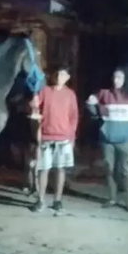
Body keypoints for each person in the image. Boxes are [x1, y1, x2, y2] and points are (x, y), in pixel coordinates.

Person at [86, 65, 128, 212]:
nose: (116, 80)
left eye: (120, 77)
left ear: (127, 79)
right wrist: (94, 109)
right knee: (109, 169)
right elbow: (90, 104)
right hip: (107, 139)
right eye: (114, 77)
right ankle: (112, 198)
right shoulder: (105, 93)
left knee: (127, 170)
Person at [29, 64, 79, 216]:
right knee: (43, 169)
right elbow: (35, 109)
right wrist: (33, 104)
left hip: (64, 138)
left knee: (60, 169)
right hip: (46, 137)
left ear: (67, 78)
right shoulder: (45, 91)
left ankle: (57, 200)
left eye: (63, 75)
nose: (59, 78)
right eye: (57, 75)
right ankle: (41, 199)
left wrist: (72, 136)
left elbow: (74, 117)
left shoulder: (70, 95)